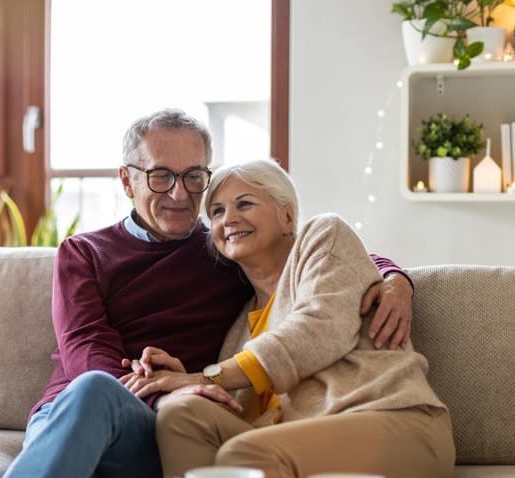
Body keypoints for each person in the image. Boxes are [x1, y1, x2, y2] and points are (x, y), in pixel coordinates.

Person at [3, 109, 416, 478]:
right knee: (94, 387)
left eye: (193, 176)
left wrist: (395, 279)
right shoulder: (84, 252)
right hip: (81, 411)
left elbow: (316, 253)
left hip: (164, 428)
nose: (179, 194)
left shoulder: (224, 247)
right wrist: (168, 388)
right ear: (128, 180)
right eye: (160, 175)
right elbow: (84, 350)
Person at [122, 159, 455, 478]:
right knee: (181, 414)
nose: (229, 219)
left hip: (397, 421)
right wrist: (191, 386)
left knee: (245, 457)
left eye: (245, 204)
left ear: (287, 215)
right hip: (296, 440)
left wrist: (208, 377)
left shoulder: (324, 237)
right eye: (217, 212)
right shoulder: (240, 328)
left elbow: (318, 329)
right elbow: (244, 404)